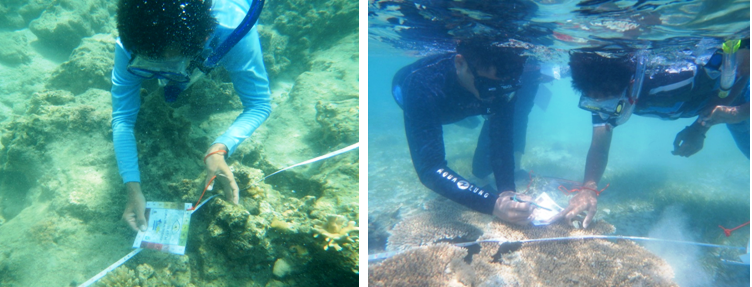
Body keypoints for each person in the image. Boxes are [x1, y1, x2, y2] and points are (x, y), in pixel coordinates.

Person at [548, 39, 750, 229]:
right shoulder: (598, 90)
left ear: (631, 83)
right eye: (594, 102)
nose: (604, 110)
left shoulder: (677, 76)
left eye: (609, 100)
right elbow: (599, 146)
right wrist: (588, 188)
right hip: (720, 112)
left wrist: (707, 125)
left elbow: (741, 70)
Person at [113, 0, 271, 232]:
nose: (163, 78)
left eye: (172, 65)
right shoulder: (131, 41)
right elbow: (122, 118)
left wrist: (221, 147)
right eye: (146, 63)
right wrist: (133, 189)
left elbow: (259, 105)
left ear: (203, 41)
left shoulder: (234, 32)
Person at [391, 37, 535, 225]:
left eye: (504, 87)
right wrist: (493, 204)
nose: (495, 96)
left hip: (467, 102)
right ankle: (463, 119)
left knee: (489, 106)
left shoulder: (501, 87)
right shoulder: (422, 84)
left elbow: (502, 141)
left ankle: (468, 114)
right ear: (460, 63)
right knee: (446, 117)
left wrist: (507, 191)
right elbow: (430, 168)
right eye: (488, 87)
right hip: (422, 102)